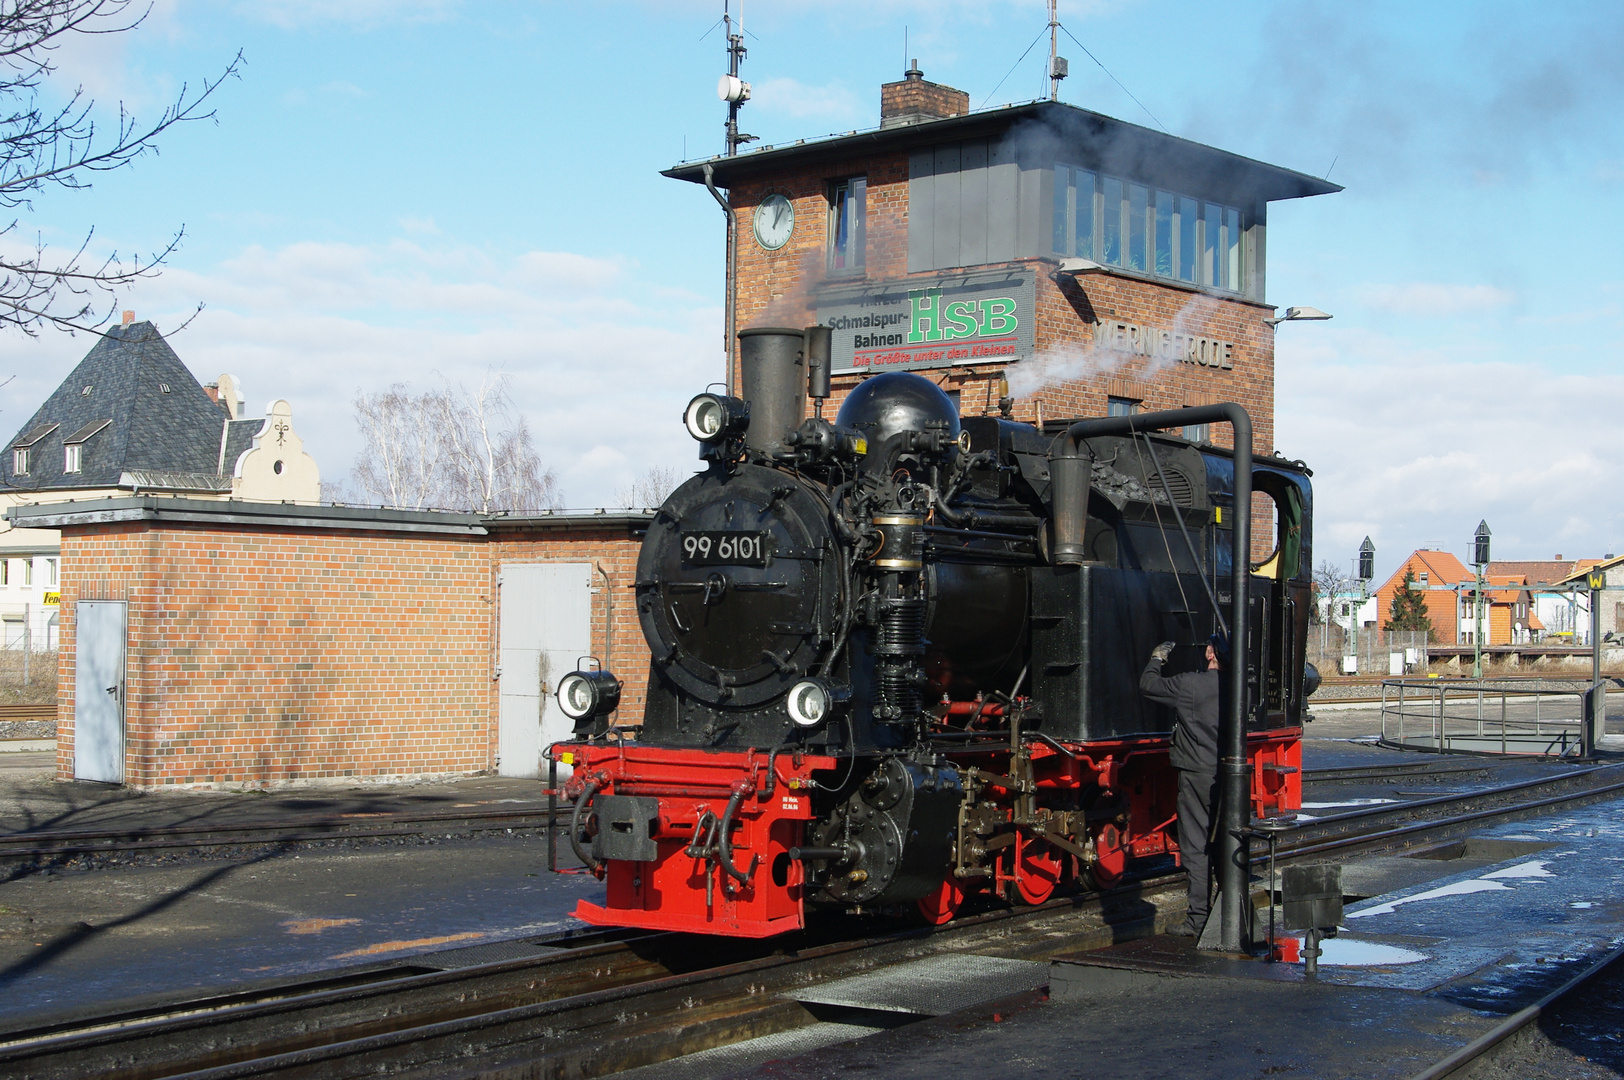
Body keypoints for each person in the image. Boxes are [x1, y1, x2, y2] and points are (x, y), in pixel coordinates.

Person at [1139, 634, 1226, 938]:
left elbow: (1148, 685)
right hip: (1228, 775)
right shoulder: (1240, 688)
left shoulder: (1191, 684)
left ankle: (1199, 920)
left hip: (1195, 774)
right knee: (1224, 845)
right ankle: (1228, 913)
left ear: (1209, 652)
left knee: (1196, 847)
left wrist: (1156, 658)